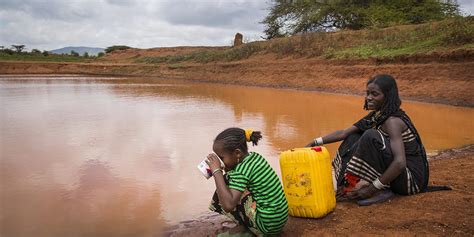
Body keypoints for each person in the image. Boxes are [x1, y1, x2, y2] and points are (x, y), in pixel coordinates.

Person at [306, 74, 429, 205]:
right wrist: (315, 142)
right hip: (399, 176)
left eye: (375, 94)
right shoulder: (377, 116)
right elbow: (343, 133)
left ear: (387, 96)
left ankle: (370, 187)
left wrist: (372, 189)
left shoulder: (393, 121)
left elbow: (399, 163)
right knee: (353, 136)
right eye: (368, 93)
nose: (369, 98)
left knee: (371, 136)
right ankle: (346, 186)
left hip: (411, 182)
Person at [207, 127, 288, 236]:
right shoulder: (255, 158)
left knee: (226, 181)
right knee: (231, 179)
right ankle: (250, 224)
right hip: (278, 219)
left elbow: (228, 205)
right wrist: (224, 167)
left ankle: (253, 230)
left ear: (237, 153)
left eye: (222, 158)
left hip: (268, 225)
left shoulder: (241, 172)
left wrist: (217, 171)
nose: (221, 162)